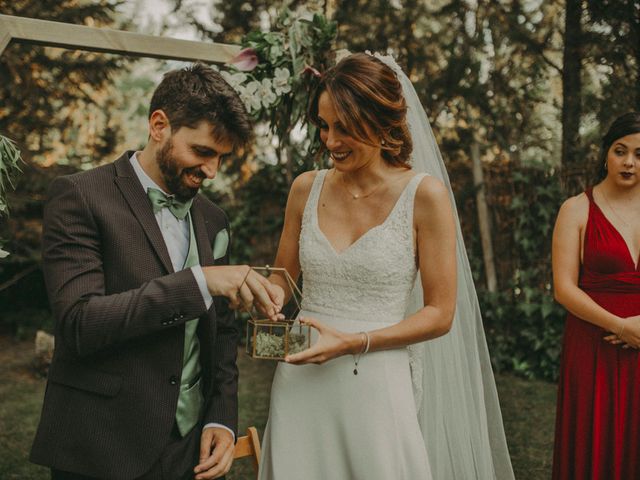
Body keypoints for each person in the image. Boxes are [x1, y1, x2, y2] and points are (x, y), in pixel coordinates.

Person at [258, 52, 514, 479]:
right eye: (324, 125)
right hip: (301, 379)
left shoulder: (424, 196)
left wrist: (354, 341)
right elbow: (281, 283)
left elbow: (440, 313)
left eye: (345, 127)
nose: (331, 140)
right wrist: (259, 295)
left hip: (376, 379)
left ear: (381, 122)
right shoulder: (305, 188)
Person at [30, 63, 283, 480]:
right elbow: (79, 323)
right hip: (104, 444)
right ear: (159, 125)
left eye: (222, 158)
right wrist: (200, 282)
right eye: (202, 152)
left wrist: (221, 417)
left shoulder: (214, 218)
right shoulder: (80, 196)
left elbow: (221, 333)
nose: (212, 171)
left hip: (189, 451)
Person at [552, 112, 640, 479]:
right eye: (621, 151)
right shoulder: (576, 209)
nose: (630, 162)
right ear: (606, 154)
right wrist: (621, 327)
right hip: (594, 345)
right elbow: (564, 288)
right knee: (595, 443)